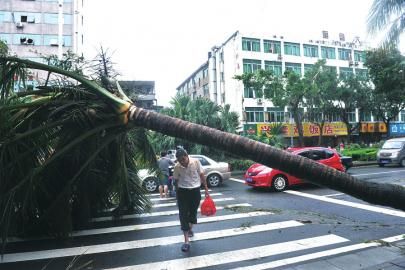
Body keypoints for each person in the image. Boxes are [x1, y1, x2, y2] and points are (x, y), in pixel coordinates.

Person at [173, 148, 209, 252]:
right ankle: (186, 242)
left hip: (195, 192)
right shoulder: (177, 167)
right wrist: (177, 194)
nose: (182, 162)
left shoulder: (196, 162)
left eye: (183, 159)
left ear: (187, 155)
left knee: (192, 213)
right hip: (183, 192)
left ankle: (190, 229)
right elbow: (176, 180)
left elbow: (202, 175)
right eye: (180, 160)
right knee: (183, 215)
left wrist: (206, 190)